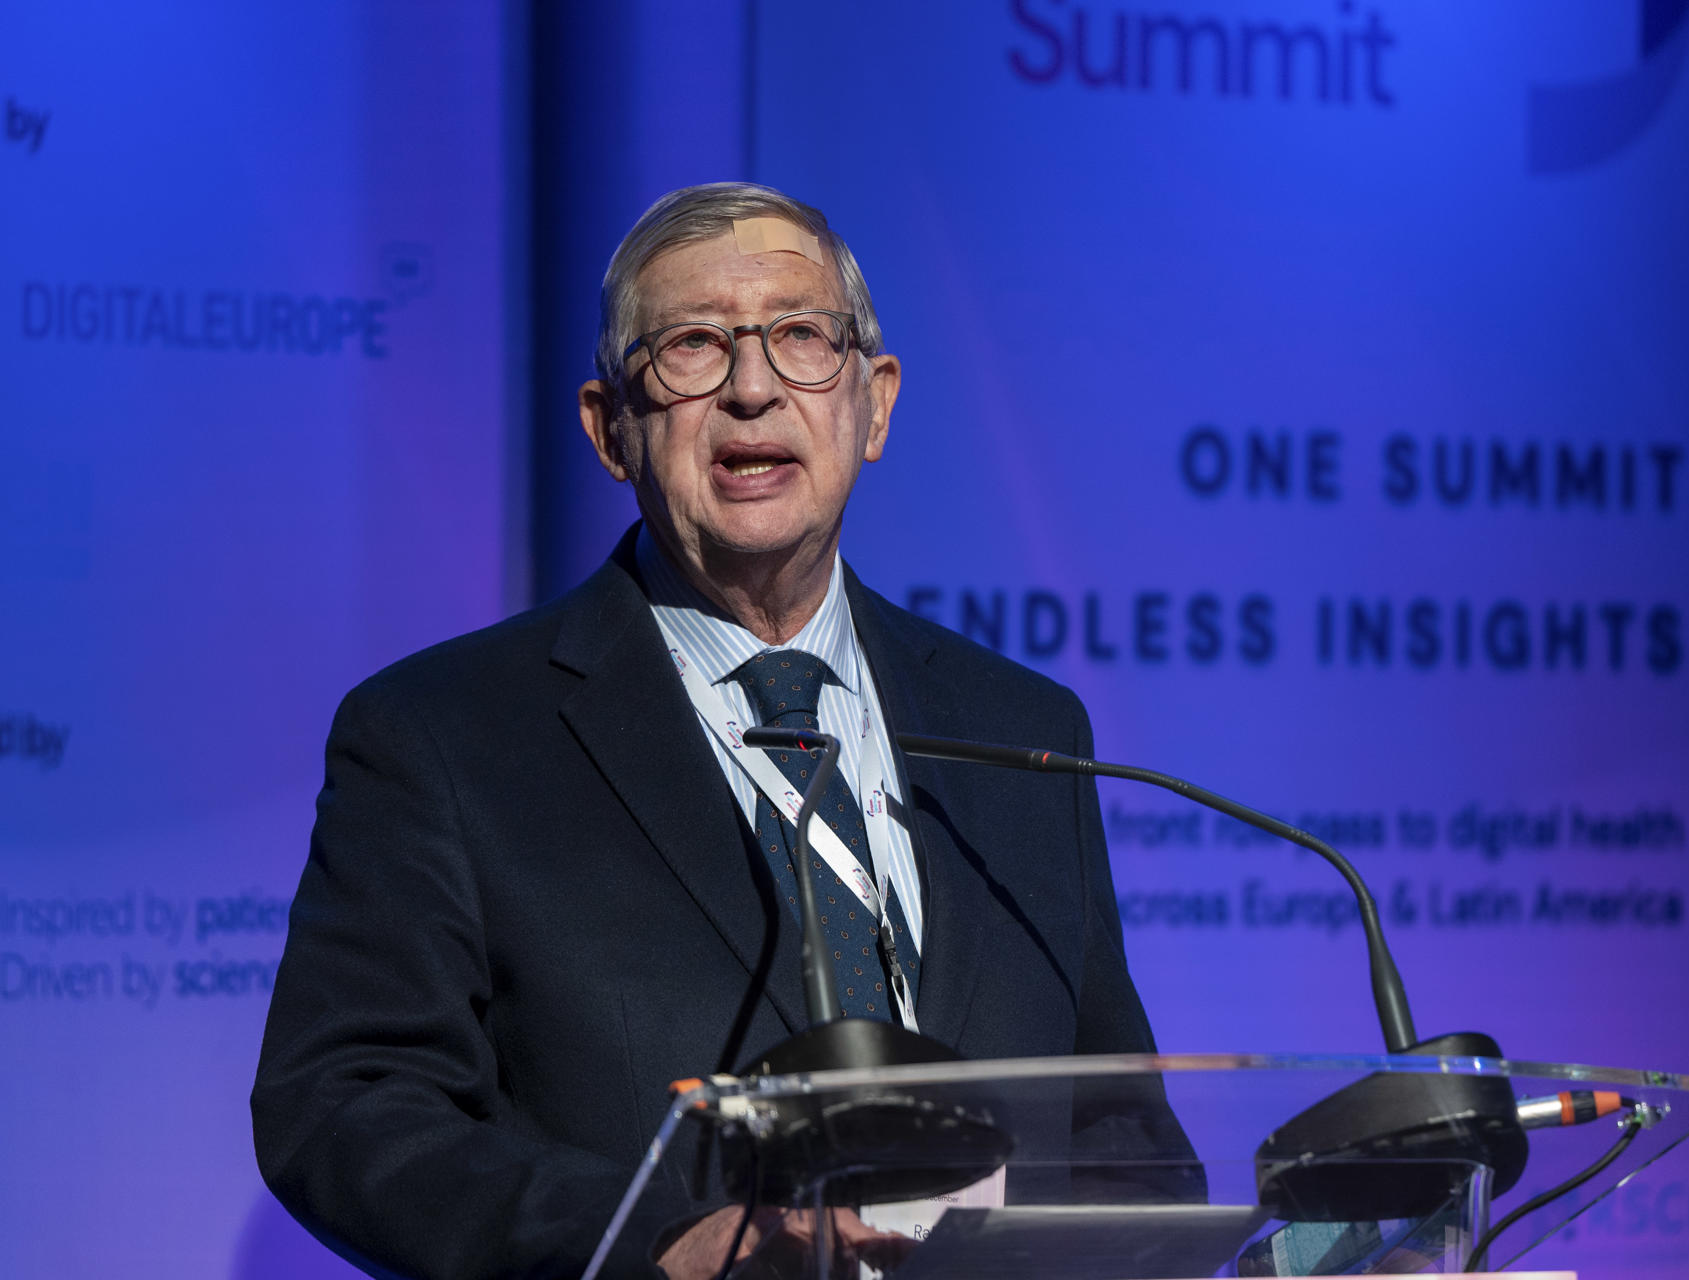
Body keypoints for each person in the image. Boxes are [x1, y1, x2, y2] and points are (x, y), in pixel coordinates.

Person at [252, 183, 1183, 1280]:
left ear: (873, 405)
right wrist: (661, 1240)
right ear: (610, 428)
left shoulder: (1026, 727)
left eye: (800, 338)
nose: (753, 388)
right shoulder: (441, 736)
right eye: (692, 347)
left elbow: (1121, 1134)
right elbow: (346, 1106)